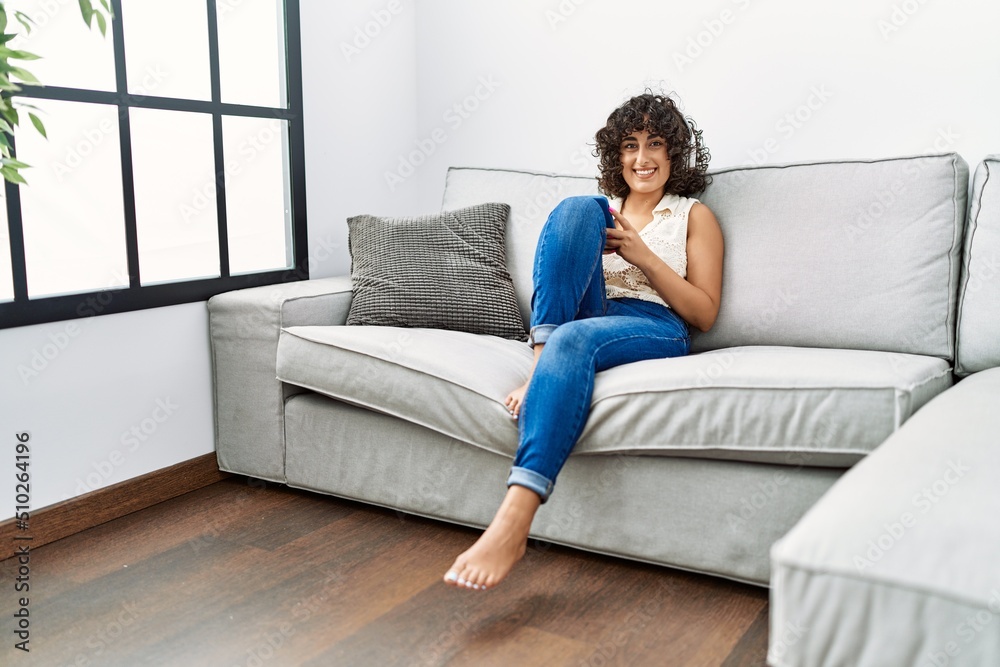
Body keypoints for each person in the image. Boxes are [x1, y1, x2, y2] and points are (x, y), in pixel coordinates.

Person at [443, 92, 724, 591]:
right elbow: (569, 274)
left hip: (656, 323)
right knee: (577, 208)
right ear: (616, 156)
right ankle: (540, 362)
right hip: (592, 310)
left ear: (674, 152)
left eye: (656, 144)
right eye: (631, 145)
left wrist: (643, 256)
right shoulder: (604, 210)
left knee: (573, 339)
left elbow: (703, 313)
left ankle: (514, 520)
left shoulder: (691, 214)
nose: (643, 158)